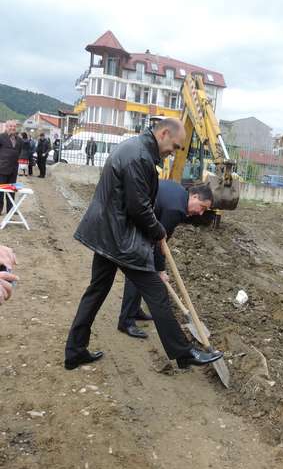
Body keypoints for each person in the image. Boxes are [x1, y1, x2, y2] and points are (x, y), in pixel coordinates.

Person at [64, 118, 223, 371]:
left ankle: (74, 350)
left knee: (96, 291)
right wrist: (158, 231)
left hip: (107, 232)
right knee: (157, 293)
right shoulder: (140, 157)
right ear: (164, 133)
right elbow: (139, 206)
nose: (174, 151)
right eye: (176, 145)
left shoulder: (136, 149)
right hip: (120, 238)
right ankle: (183, 353)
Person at [118, 181, 213, 338]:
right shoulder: (175, 209)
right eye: (202, 207)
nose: (201, 213)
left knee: (144, 267)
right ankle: (126, 321)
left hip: (139, 222)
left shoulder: (179, 193)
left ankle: (134, 311)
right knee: (138, 271)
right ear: (194, 196)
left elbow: (161, 239)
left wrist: (158, 266)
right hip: (131, 225)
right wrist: (160, 270)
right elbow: (159, 242)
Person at [0, 120, 22, 214]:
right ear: (6, 127)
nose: (13, 128)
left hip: (13, 169)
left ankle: (11, 209)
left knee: (12, 190)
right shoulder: (1, 137)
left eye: (14, 126)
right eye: (10, 126)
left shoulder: (19, 140)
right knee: (0, 190)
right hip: (2, 168)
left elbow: (19, 151)